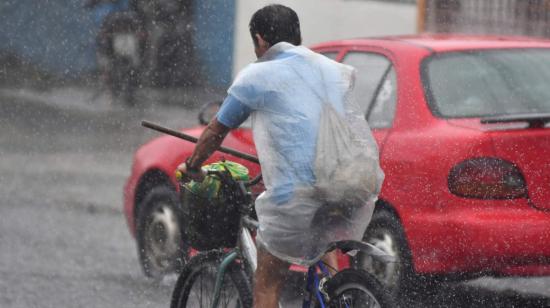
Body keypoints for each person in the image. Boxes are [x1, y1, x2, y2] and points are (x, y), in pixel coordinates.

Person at [178, 4, 382, 308]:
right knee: (323, 239)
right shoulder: (329, 69)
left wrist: (193, 165)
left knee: (268, 280)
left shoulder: (257, 75)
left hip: (297, 194)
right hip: (350, 184)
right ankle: (336, 294)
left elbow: (216, 130)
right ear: (297, 35)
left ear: (260, 40)